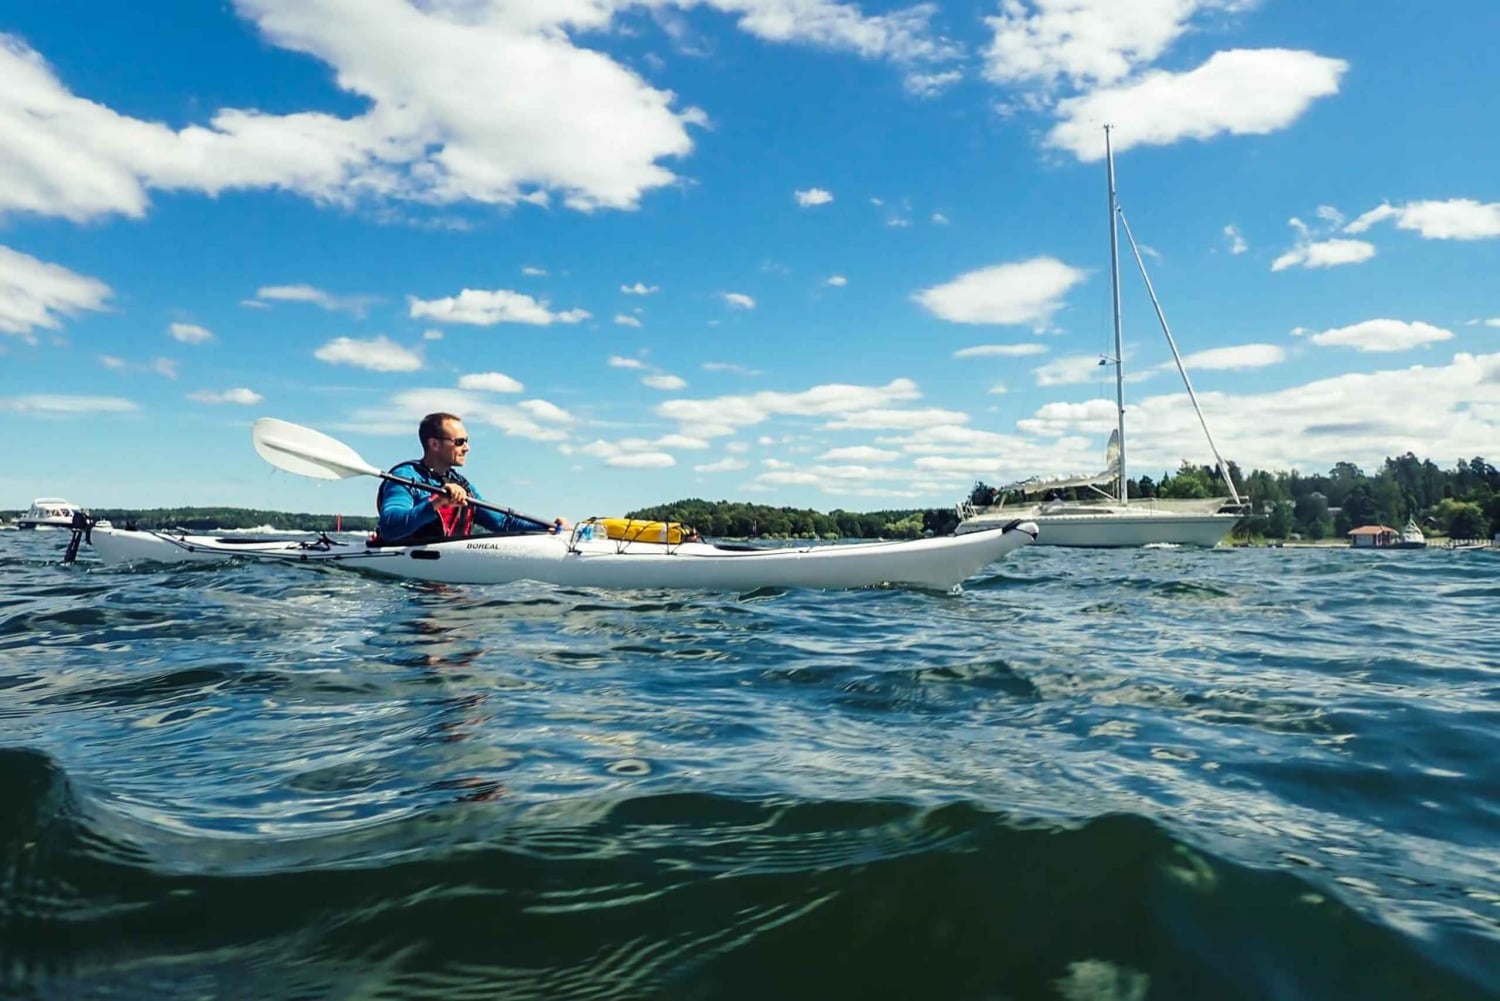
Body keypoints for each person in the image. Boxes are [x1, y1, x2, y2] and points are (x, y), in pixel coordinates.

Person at [377, 412, 567, 542]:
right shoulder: (404, 477)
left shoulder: (461, 484)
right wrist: (436, 502)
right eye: (459, 442)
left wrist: (550, 528)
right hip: (409, 587)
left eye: (466, 441)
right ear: (434, 444)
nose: (467, 448)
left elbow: (503, 522)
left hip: (446, 576)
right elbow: (390, 526)